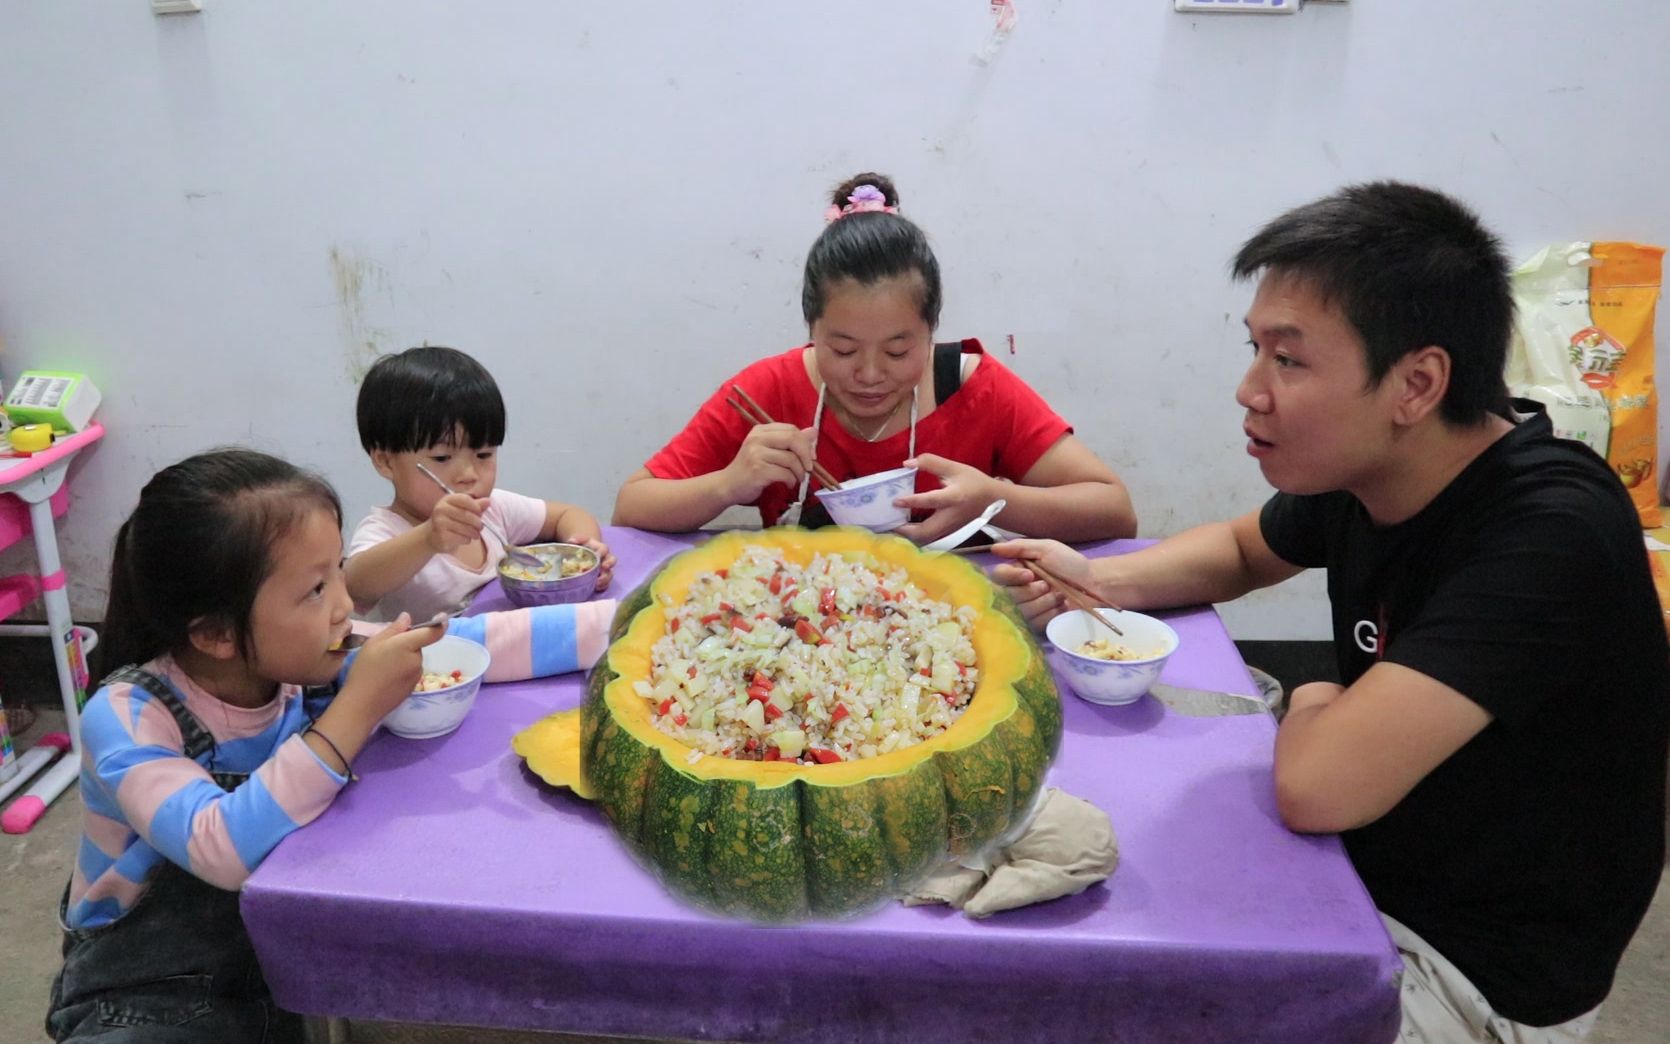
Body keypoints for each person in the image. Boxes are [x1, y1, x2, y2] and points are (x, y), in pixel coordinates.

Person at [992, 182, 1669, 1041]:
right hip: (1366, 867)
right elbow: (1242, 551)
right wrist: (1094, 583)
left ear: (1417, 383)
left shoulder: (1549, 532)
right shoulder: (1374, 472)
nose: (1250, 389)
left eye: (1289, 359)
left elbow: (1315, 788)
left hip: (1463, 972)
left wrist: (1308, 699)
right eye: (1255, 351)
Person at [45, 449, 617, 1042]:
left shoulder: (302, 656)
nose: (346, 604)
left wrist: (630, 624)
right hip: (147, 997)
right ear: (215, 633)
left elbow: (476, 641)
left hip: (283, 963)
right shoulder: (128, 716)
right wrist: (355, 711)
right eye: (316, 589)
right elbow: (221, 846)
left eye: (338, 571)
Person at [613, 172, 1136, 545]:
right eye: (841, 349)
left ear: (932, 330)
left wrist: (995, 500)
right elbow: (631, 506)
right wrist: (726, 485)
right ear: (810, 329)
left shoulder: (973, 388)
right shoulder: (767, 392)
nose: (867, 375)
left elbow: (1115, 512)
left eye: (898, 350)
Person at [346, 346, 614, 622]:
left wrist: (583, 552)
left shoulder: (493, 510)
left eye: (484, 454)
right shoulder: (385, 531)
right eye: (442, 457)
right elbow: (355, 585)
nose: (469, 474)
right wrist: (428, 538)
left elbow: (569, 515)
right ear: (385, 462)